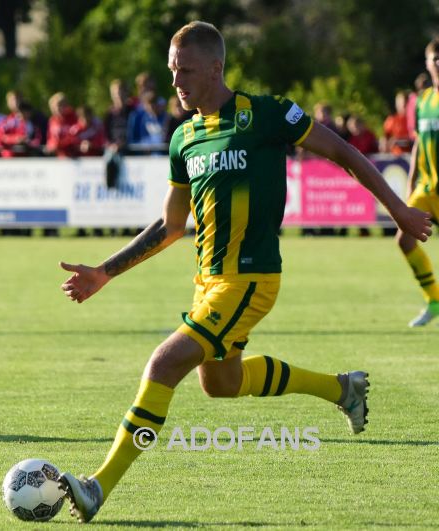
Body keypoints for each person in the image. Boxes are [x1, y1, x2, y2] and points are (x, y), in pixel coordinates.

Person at [55, 21, 430, 523]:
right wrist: (105, 271)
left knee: (163, 364)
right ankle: (342, 389)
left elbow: (343, 152)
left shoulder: (268, 115)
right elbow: (170, 226)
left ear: (216, 67)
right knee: (222, 384)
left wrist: (400, 210)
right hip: (209, 283)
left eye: (185, 71)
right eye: (171, 71)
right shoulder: (184, 137)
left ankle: (98, 486)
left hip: (250, 280)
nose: (176, 82)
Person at [396, 37, 439, 327]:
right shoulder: (422, 101)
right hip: (426, 187)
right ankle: (434, 299)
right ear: (426, 63)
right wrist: (411, 183)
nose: (438, 63)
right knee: (404, 238)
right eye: (434, 58)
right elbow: (416, 145)